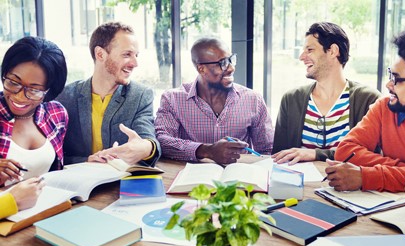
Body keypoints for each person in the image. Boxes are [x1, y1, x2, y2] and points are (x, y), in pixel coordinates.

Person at [326, 25, 405, 192]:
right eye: (391, 74)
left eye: (396, 79)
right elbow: (346, 150)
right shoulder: (384, 107)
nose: (388, 84)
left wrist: (367, 176)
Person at [272, 22, 381, 165]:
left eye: (310, 50)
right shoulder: (291, 99)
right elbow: (279, 156)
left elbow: (369, 155)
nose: (302, 57)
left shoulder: (368, 99)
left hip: (349, 187)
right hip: (299, 186)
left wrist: (316, 154)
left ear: (332, 51)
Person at [155, 37, 273, 165]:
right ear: (201, 69)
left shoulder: (253, 99)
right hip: (192, 179)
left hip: (239, 179)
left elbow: (268, 150)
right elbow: (161, 141)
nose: (231, 68)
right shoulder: (172, 99)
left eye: (231, 60)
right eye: (222, 63)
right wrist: (207, 150)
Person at [57, 22, 160, 166]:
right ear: (100, 54)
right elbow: (54, 156)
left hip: (120, 184)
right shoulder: (65, 97)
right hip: (78, 183)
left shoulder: (140, 95)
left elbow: (147, 138)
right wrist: (86, 161)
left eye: (136, 55)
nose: (135, 63)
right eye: (127, 54)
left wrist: (146, 147)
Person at [0, 36, 67, 215]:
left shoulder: (56, 115)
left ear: (49, 91)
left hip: (45, 214)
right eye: (13, 83)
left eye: (34, 90)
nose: (20, 97)